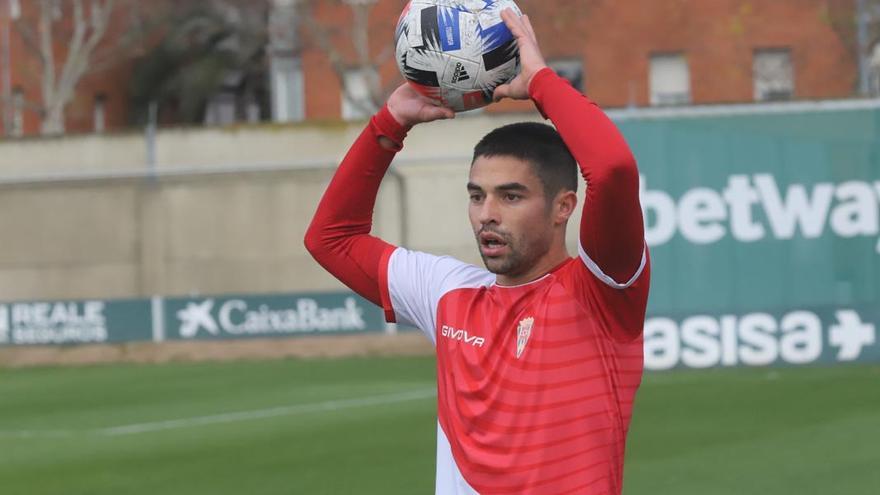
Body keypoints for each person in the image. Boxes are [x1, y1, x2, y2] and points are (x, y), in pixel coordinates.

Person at [305, 8, 649, 495]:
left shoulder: (602, 294)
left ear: (563, 207)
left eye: (510, 196)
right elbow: (329, 239)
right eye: (475, 195)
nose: (487, 213)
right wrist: (390, 123)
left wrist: (542, 82)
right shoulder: (450, 293)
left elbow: (612, 169)